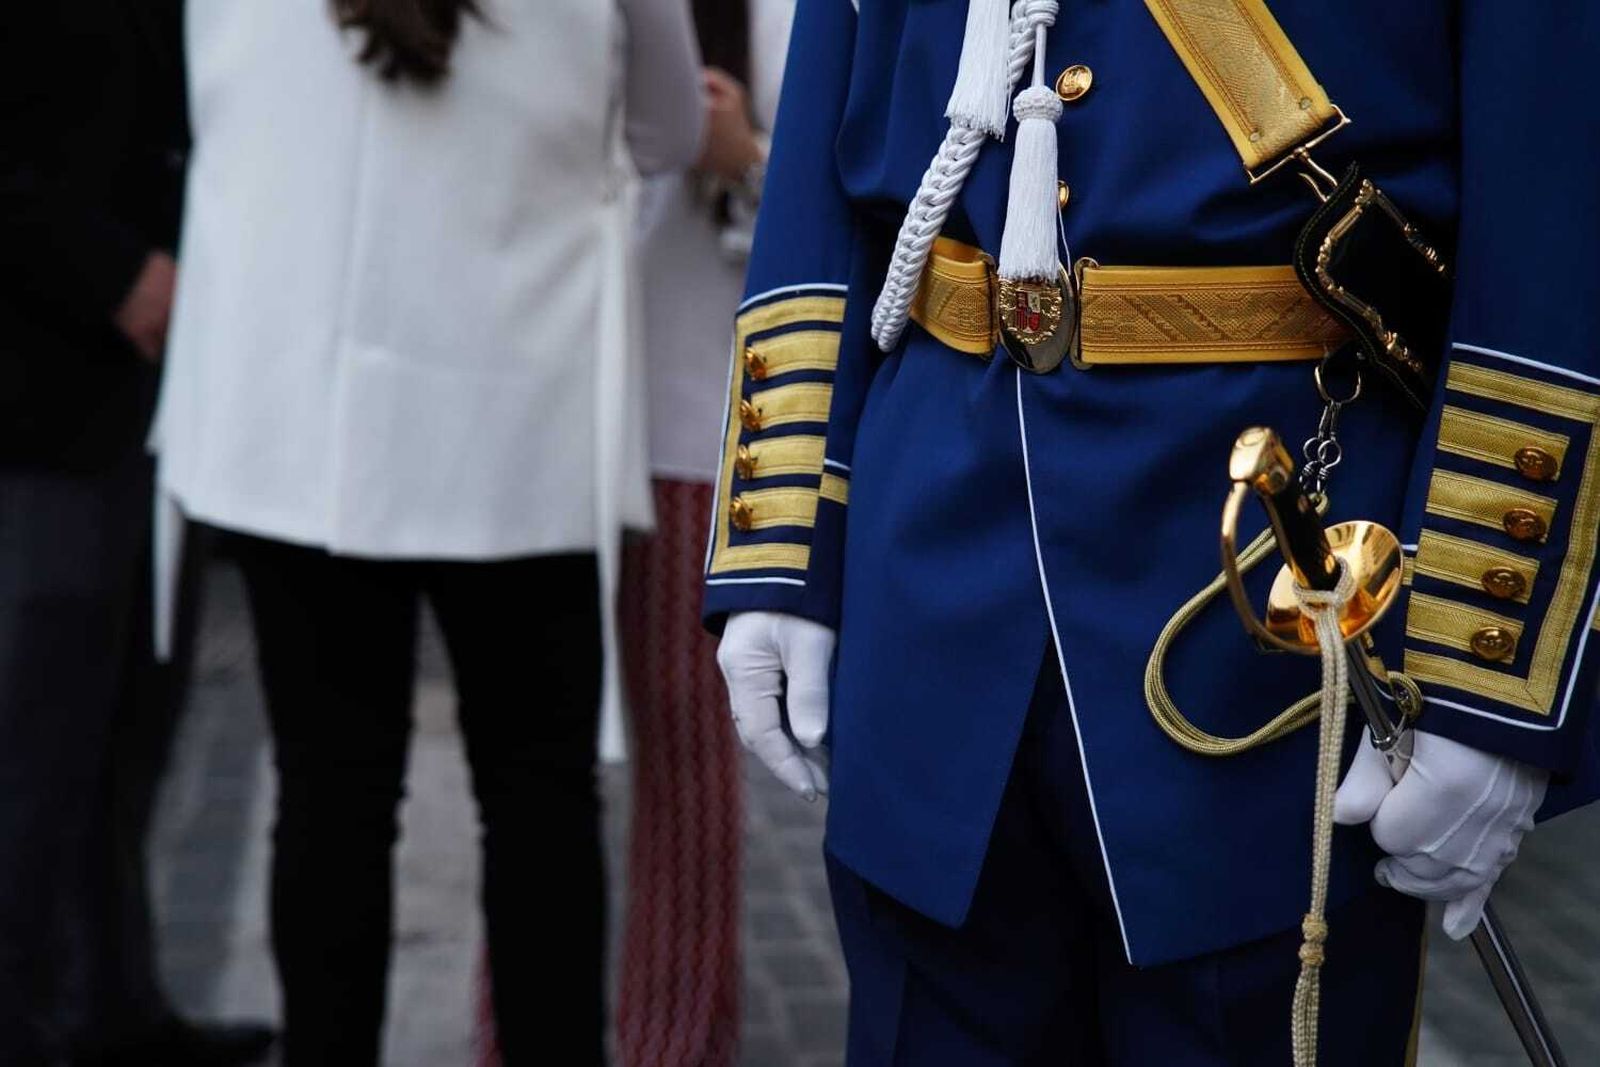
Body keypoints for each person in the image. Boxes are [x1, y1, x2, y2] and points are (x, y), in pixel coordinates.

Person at [707, 0, 1600, 1063]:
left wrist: (1487, 665)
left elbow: (1557, 189)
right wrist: (783, 526)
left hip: (1267, 595)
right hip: (926, 569)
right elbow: (832, 105)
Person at [154, 1, 707, 1063]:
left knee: (330, 797)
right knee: (539, 799)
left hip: (296, 419)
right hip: (516, 418)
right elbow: (667, 130)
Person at [0, 4, 275, 1065]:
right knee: (35, 748)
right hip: (41, 398)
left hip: (162, 396)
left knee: (131, 723)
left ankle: (115, 1008)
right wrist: (114, 273)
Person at [613, 2, 794, 1065]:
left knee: (686, 751)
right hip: (568, 406)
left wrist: (744, 155)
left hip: (702, 419)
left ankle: (673, 1042)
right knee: (531, 763)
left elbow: (864, 209)